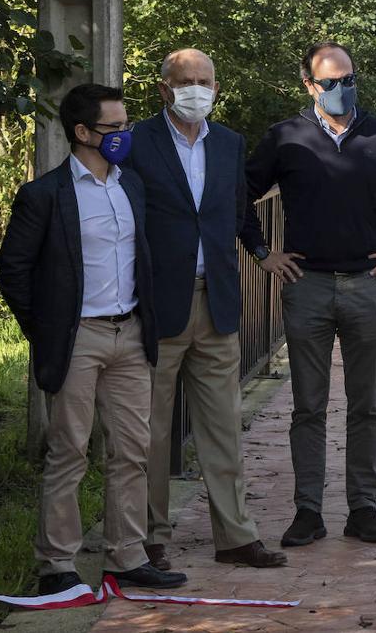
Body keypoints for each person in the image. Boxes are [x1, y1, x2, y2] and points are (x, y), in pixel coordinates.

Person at [0, 83, 188, 593]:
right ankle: (57, 566)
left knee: (132, 451)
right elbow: (12, 270)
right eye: (115, 128)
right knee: (69, 452)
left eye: (126, 125)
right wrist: (46, 329)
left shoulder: (132, 186)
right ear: (82, 133)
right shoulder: (44, 194)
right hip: (76, 338)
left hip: (131, 335)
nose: (125, 134)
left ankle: (126, 557)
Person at [242, 41, 376, 548]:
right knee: (308, 405)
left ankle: (362, 508)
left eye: (348, 79)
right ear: (309, 85)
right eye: (329, 82)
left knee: (365, 404)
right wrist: (263, 253)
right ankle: (308, 510)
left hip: (366, 287)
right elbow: (239, 194)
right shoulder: (286, 137)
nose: (341, 89)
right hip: (306, 288)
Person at [127, 49, 286, 571]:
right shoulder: (136, 144)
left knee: (223, 426)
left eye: (205, 81)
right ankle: (147, 536)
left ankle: (235, 536)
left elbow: (239, 210)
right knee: (149, 431)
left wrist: (262, 254)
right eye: (186, 81)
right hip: (156, 308)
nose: (197, 89)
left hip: (216, 303)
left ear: (217, 86)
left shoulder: (230, 144)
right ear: (164, 88)